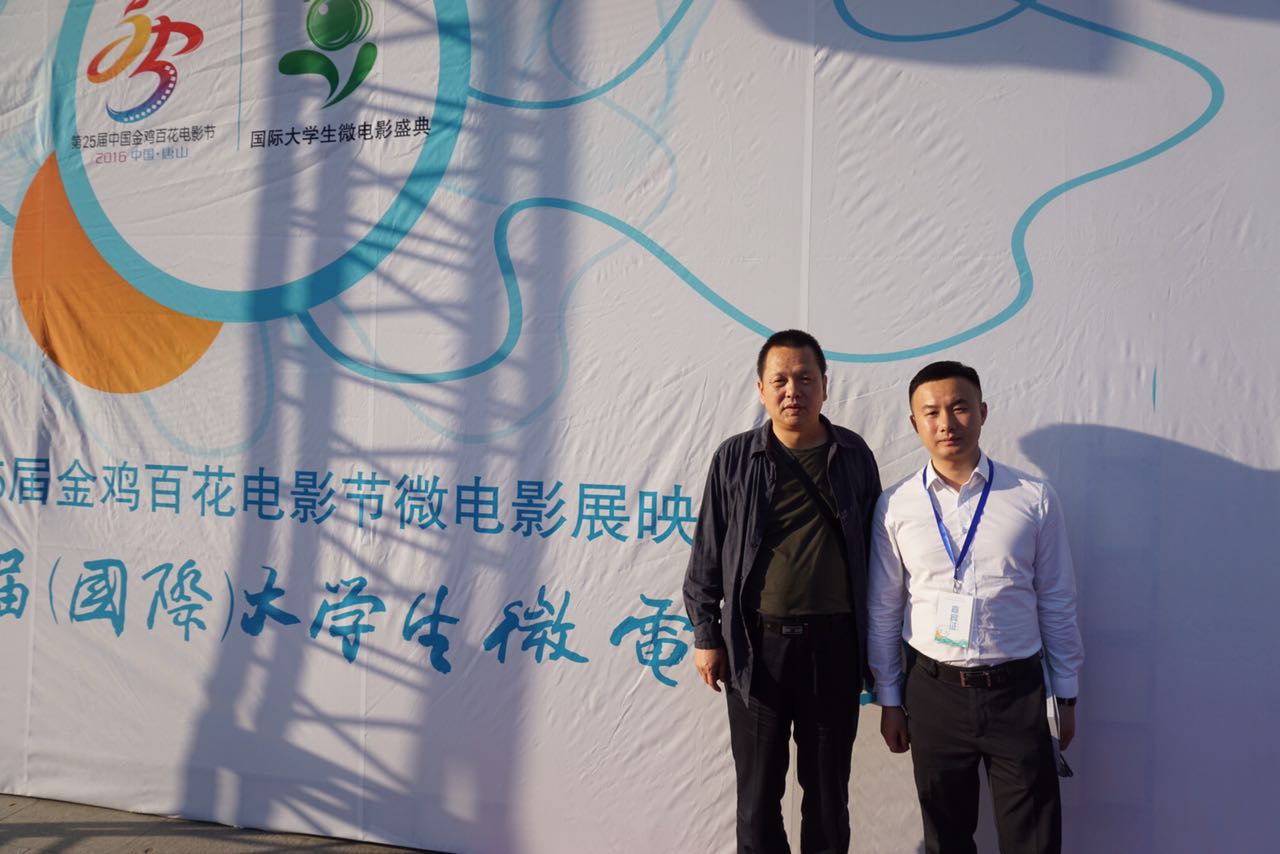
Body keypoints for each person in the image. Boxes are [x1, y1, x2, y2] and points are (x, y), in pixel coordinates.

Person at [867, 361, 1083, 854]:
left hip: (1018, 694)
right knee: (946, 839)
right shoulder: (896, 505)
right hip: (933, 693)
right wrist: (890, 699)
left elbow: (1057, 600)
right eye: (932, 412)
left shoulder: (1033, 498)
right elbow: (884, 609)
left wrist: (1066, 695)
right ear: (915, 423)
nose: (947, 422)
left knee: (1034, 840)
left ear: (982, 412)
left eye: (960, 407)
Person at [683, 329, 882, 854]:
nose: (793, 390)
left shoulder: (853, 455)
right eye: (781, 381)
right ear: (761, 389)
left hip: (834, 649)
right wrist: (707, 634)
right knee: (757, 798)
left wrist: (880, 648)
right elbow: (706, 554)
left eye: (805, 379)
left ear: (825, 387)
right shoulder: (734, 458)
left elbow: (879, 558)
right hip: (756, 650)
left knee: (827, 796)